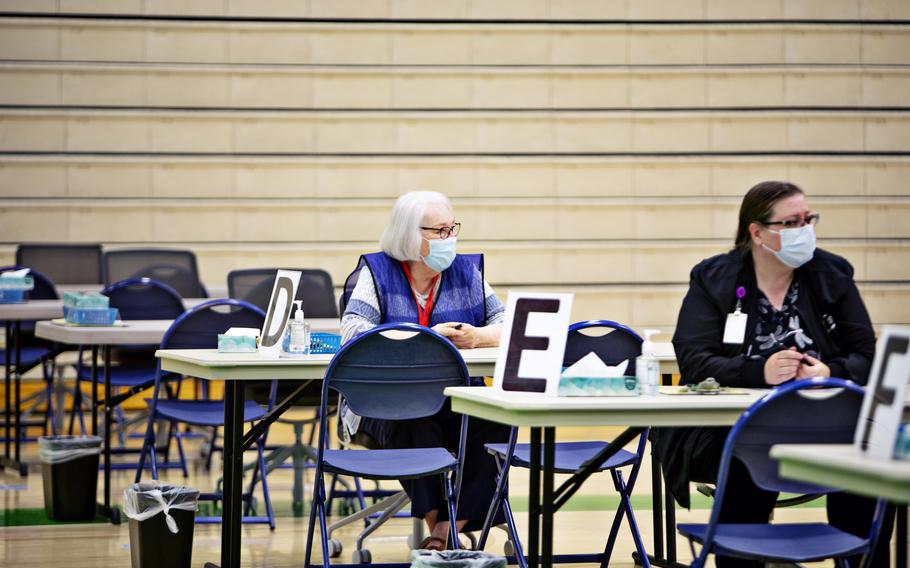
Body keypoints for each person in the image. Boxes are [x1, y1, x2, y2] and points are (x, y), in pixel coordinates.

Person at [654, 181, 893, 567]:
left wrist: (827, 371)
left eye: (807, 219)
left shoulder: (832, 274)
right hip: (735, 429)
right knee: (748, 460)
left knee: (867, 464)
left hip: (826, 426)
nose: (805, 230)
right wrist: (758, 371)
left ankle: (858, 557)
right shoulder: (714, 278)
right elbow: (695, 362)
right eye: (791, 222)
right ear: (757, 232)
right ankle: (747, 555)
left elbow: (866, 355)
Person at [341, 190, 508, 550]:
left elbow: (508, 323)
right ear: (409, 235)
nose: (450, 239)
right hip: (384, 402)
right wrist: (426, 337)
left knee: (498, 418)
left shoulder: (467, 272)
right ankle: (439, 525)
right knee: (413, 421)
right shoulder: (377, 272)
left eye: (452, 229)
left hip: (456, 397)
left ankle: (446, 532)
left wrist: (479, 336)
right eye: (439, 231)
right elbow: (353, 330)